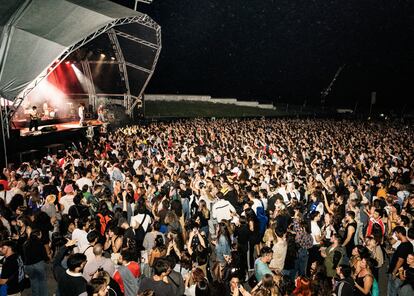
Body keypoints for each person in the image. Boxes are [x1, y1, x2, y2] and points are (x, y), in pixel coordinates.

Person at [388, 226, 413, 296]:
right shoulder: (409, 244)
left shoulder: (403, 246)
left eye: (395, 234)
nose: (395, 236)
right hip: (401, 272)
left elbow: (400, 260)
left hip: (397, 273)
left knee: (392, 291)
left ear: (398, 233)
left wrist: (394, 272)